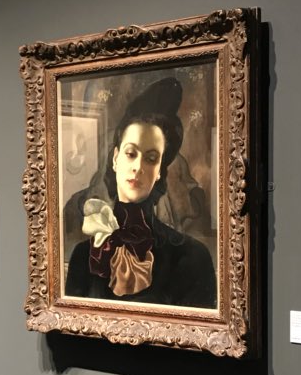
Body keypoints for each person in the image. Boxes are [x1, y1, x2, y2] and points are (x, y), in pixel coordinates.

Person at [65, 77, 216, 308]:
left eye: (151, 158)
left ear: (159, 171)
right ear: (115, 159)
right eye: (130, 153)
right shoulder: (83, 256)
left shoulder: (192, 257)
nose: (138, 167)